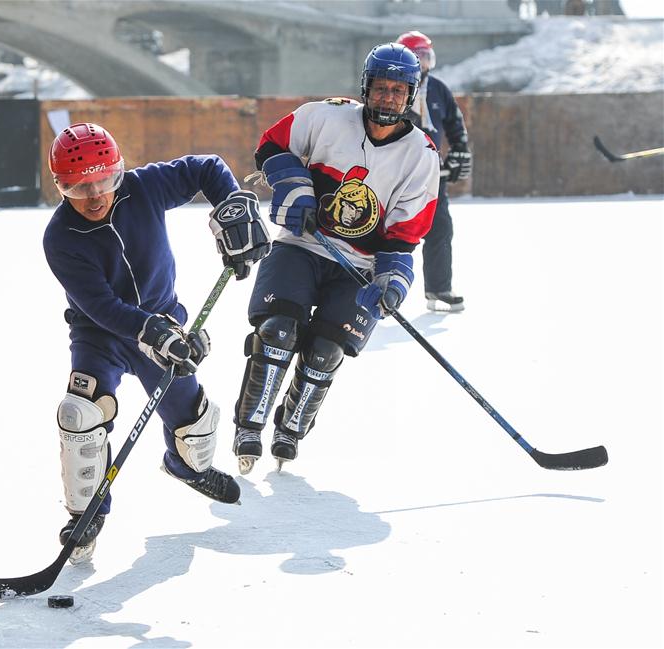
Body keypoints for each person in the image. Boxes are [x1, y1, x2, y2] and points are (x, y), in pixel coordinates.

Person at [44, 122, 271, 562]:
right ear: (60, 186)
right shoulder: (61, 238)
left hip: (164, 319)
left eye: (105, 181)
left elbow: (207, 168)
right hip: (101, 334)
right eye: (78, 187)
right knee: (80, 413)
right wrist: (152, 332)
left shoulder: (143, 187)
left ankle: (186, 466)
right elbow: (101, 305)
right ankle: (85, 514)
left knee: (195, 427)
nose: (94, 197)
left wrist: (233, 207)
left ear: (119, 172)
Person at [231, 43, 440, 473]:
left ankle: (290, 427)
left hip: (358, 268)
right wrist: (292, 184)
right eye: (380, 88)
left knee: (325, 350)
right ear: (366, 86)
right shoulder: (325, 115)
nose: (387, 98)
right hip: (301, 245)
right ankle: (250, 425)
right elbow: (271, 145)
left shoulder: (422, 155)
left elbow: (405, 233)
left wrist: (393, 280)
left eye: (398, 91)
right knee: (277, 332)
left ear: (411, 94)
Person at [396, 30, 472, 313]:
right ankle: (366, 285)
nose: (424, 63)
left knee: (440, 227)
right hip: (396, 174)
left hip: (433, 175)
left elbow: (454, 122)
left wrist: (460, 148)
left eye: (427, 57)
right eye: (418, 57)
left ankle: (438, 288)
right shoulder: (394, 87)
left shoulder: (438, 88)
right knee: (386, 230)